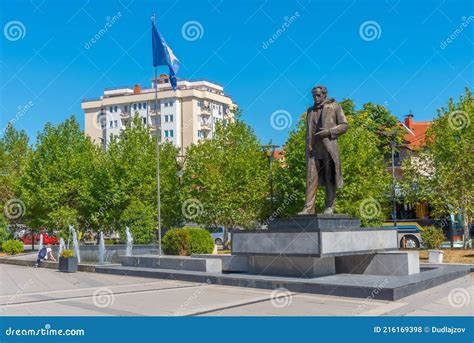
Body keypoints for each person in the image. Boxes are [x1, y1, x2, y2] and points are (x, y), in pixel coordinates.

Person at [299, 85, 349, 215]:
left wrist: (329, 132)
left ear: (324, 95)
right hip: (313, 150)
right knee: (311, 179)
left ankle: (329, 206)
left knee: (329, 178)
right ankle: (308, 208)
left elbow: (344, 125)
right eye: (314, 96)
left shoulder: (334, 106)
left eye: (318, 95)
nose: (316, 98)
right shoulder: (310, 111)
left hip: (329, 148)